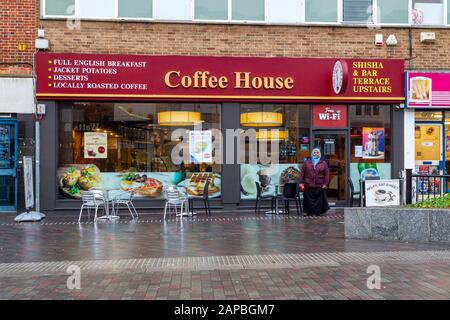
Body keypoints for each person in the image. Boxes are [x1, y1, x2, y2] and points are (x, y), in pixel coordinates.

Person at [299, 148, 330, 216]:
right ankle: (308, 212)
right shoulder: (307, 162)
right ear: (312, 153)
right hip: (308, 184)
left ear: (319, 154)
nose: (315, 154)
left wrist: (325, 183)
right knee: (308, 200)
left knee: (318, 200)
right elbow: (302, 173)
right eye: (314, 152)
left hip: (319, 184)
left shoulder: (323, 163)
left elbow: (327, 174)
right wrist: (301, 183)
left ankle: (317, 212)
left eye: (317, 153)